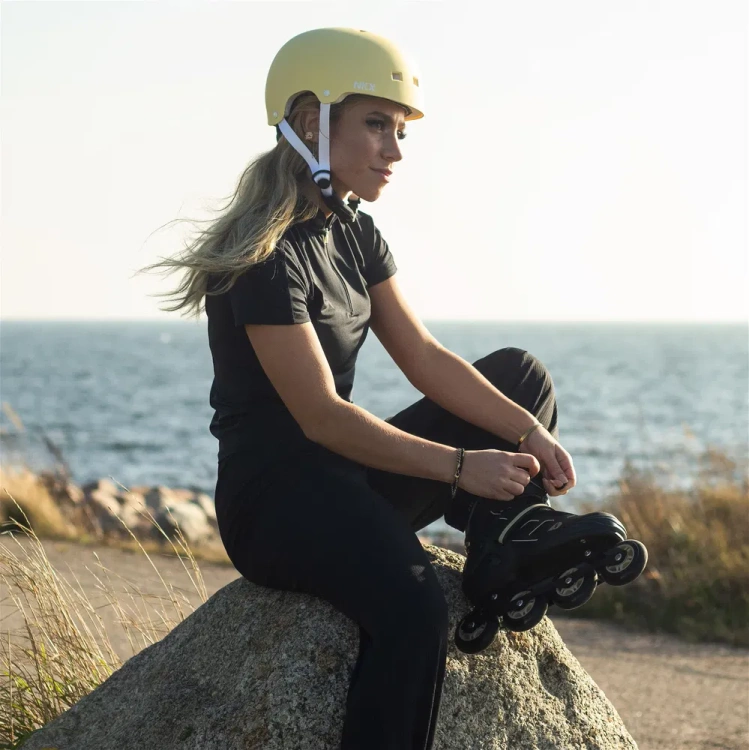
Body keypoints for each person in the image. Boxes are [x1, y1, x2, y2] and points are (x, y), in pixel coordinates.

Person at [142, 27, 577, 750]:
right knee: (415, 609)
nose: (394, 151)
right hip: (277, 508)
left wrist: (528, 432)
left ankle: (502, 551)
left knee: (520, 378)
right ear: (311, 121)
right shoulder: (262, 257)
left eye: (400, 130)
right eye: (377, 125)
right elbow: (320, 416)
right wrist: (462, 467)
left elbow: (426, 358)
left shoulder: (355, 234)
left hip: (347, 481)